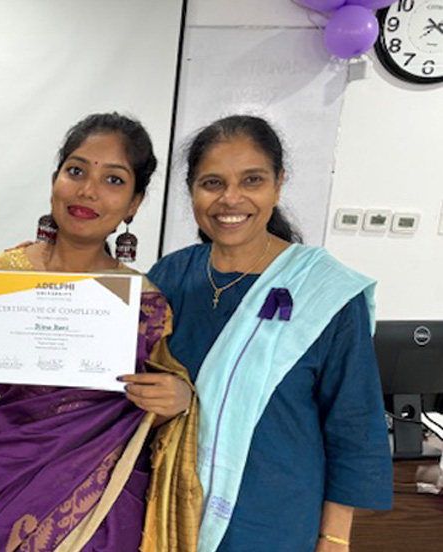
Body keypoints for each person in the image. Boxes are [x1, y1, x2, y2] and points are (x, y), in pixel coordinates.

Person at [147, 115, 392, 552]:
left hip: (272, 519)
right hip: (167, 509)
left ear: (278, 185)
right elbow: (128, 383)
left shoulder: (326, 292)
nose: (231, 199)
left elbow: (353, 424)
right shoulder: (169, 276)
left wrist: (334, 538)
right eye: (212, 183)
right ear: (191, 191)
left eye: (252, 180)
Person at [0, 113, 200, 552]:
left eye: (113, 180)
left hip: (108, 493)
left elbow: (170, 396)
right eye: (75, 171)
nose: (88, 191)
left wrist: (180, 399)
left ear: (134, 204)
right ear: (55, 180)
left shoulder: (145, 300)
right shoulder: (2, 276)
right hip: (10, 478)